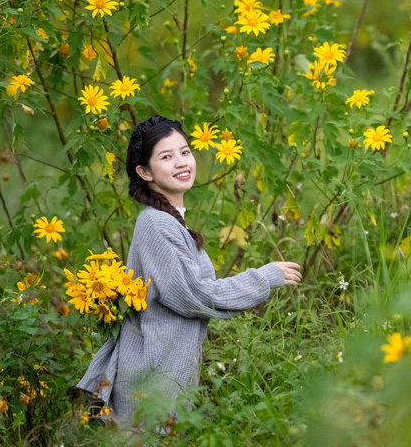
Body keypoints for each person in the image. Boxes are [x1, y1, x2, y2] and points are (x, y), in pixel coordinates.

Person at [76, 115, 302, 432]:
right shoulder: (155, 223)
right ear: (144, 172)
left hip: (161, 373)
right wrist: (263, 278)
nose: (182, 162)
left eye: (184, 151)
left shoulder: (171, 221)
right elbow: (193, 296)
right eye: (166, 157)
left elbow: (196, 289)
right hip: (149, 377)